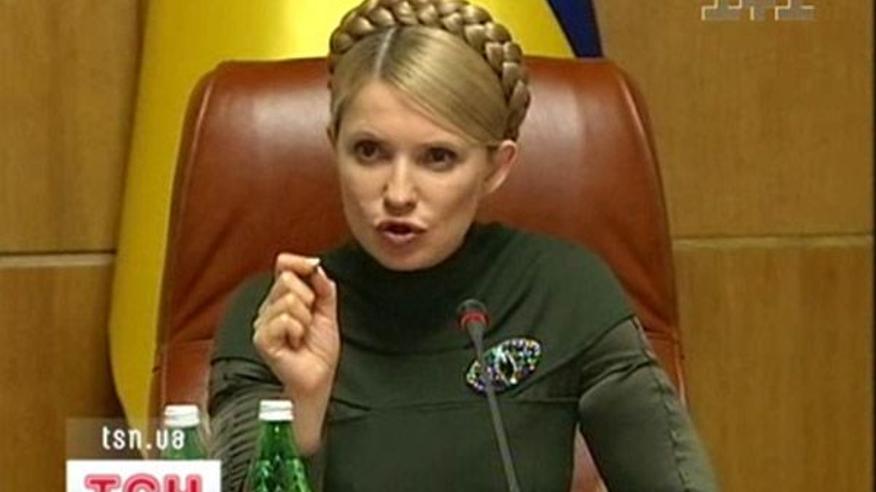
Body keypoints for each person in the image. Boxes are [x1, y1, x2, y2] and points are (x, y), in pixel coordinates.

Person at [208, 1, 719, 491]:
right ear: (333, 146)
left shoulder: (565, 292)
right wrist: (299, 412)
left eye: (438, 158)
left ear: (496, 167)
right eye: (369, 151)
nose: (398, 193)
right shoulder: (278, 319)